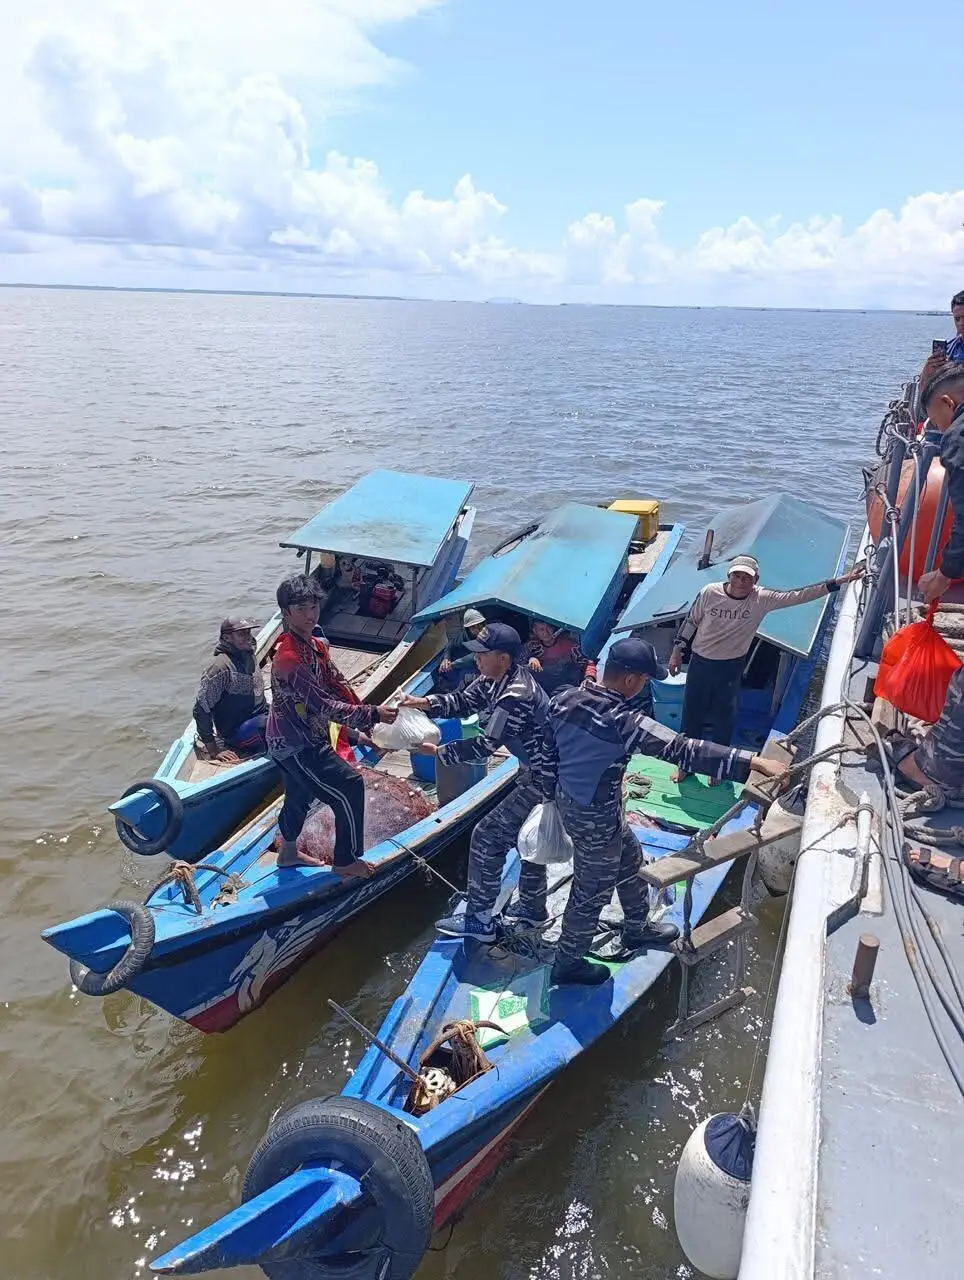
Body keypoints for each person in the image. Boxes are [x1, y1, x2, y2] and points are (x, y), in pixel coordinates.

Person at [548, 637, 788, 985]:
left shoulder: (565, 697)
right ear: (631, 680)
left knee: (630, 859)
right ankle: (568, 961)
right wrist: (752, 759)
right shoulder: (623, 721)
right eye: (645, 680)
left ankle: (636, 927)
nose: (643, 686)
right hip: (595, 817)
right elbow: (684, 749)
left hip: (574, 802)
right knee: (592, 890)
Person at [401, 622, 557, 941]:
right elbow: (463, 702)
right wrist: (423, 703)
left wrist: (438, 752)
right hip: (534, 769)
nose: (477, 660)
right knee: (531, 835)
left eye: (483, 654)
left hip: (548, 777)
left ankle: (479, 921)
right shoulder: (493, 679)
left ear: (503, 657)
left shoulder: (516, 694)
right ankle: (532, 907)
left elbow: (486, 745)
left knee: (488, 836)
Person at [668, 554, 864, 783]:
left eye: (747, 578)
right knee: (692, 715)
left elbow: (799, 595)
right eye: (737, 576)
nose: (741, 582)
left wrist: (839, 582)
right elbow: (691, 621)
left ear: (756, 579)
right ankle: (685, 765)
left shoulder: (762, 598)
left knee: (725, 717)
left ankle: (717, 769)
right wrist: (676, 652)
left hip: (731, 666)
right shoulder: (710, 592)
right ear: (728, 575)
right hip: (701, 662)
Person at [266, 574, 398, 873]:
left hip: (303, 736)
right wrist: (372, 714)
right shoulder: (288, 658)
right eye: (302, 608)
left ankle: (288, 853)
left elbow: (338, 684)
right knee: (350, 785)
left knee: (299, 796)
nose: (311, 614)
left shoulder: (314, 645)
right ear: (286, 613)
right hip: (296, 744)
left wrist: (364, 722)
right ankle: (346, 860)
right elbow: (322, 705)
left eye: (314, 606)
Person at [915, 360, 964, 606]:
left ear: (948, 403)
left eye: (939, 422)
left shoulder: (958, 437)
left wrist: (944, 574)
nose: (943, 431)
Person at [193, 618, 269, 763]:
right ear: (227, 638)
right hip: (238, 731)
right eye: (241, 634)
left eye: (248, 632)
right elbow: (201, 709)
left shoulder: (248, 653)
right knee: (273, 724)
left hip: (260, 714)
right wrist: (214, 749)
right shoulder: (220, 668)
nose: (247, 637)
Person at [522, 620, 597, 694]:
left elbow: (588, 663)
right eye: (541, 629)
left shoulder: (569, 645)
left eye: (549, 628)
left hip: (566, 688)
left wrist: (589, 678)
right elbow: (517, 666)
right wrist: (531, 659)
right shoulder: (530, 646)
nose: (546, 632)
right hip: (539, 690)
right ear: (535, 631)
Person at [919, 291, 964, 392]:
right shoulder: (949, 350)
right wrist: (927, 373)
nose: (961, 323)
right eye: (957, 319)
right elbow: (923, 392)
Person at [434, 607, 487, 693]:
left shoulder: (488, 636)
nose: (478, 630)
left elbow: (475, 656)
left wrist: (453, 664)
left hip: (477, 666)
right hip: (459, 666)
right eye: (473, 627)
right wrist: (446, 658)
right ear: (468, 629)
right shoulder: (463, 636)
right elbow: (450, 644)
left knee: (466, 675)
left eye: (480, 625)